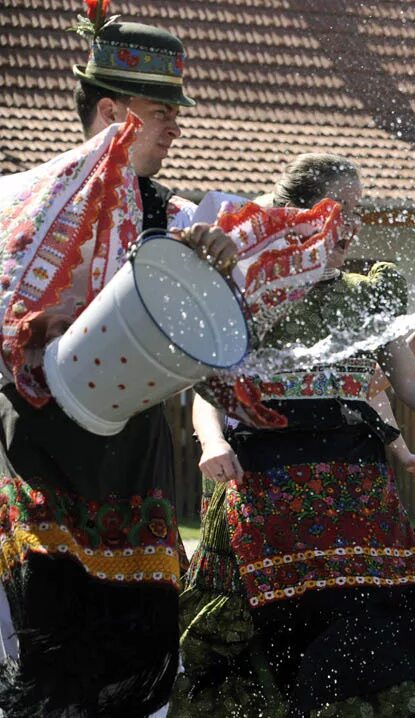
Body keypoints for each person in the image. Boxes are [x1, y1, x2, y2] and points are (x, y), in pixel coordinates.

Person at [174, 153, 415, 717]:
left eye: (359, 212)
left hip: (359, 498)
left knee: (381, 636)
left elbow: (413, 383)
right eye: (341, 210)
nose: (352, 227)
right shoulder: (245, 287)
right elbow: (207, 386)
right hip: (269, 496)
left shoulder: (370, 293)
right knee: (279, 646)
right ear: (296, 214)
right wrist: (213, 443)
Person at [0, 8, 239, 715]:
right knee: (47, 618)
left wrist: (221, 266)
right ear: (112, 111)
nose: (175, 128)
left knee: (133, 628)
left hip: (132, 444)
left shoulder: (177, 217)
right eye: (161, 111)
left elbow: (212, 331)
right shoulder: (25, 205)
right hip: (41, 437)